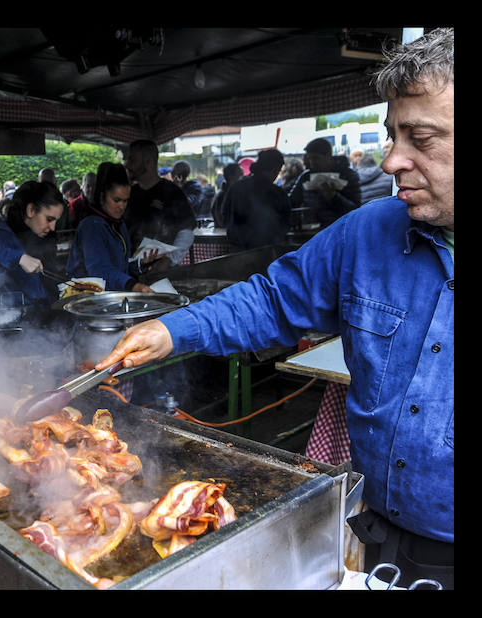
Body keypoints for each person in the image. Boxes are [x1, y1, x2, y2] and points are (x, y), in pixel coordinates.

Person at [96, 27, 454, 589]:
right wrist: (170, 329)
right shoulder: (368, 232)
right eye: (391, 136)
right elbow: (272, 298)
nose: (391, 161)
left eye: (421, 139)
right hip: (370, 526)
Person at [0, 180, 64, 306]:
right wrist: (18, 258)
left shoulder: (42, 237)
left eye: (55, 221)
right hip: (14, 315)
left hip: (44, 312)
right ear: (31, 210)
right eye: (49, 219)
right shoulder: (2, 235)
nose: (53, 227)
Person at [65, 162, 158, 292]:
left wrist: (140, 263)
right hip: (87, 299)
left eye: (125, 201)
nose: (122, 206)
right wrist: (132, 285)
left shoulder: (118, 224)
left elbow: (120, 266)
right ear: (102, 196)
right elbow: (100, 270)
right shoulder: (91, 226)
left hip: (111, 295)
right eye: (116, 200)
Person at [125, 140, 196, 269]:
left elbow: (186, 232)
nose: (127, 164)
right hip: (131, 270)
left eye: (132, 160)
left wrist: (169, 260)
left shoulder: (172, 193)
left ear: (148, 161)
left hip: (160, 272)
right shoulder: (129, 193)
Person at [224, 149, 292, 251]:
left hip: (237, 248)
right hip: (266, 249)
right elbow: (286, 222)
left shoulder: (236, 187)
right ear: (275, 169)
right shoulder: (277, 193)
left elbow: (225, 213)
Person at [288, 137, 361, 228]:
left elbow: (356, 210)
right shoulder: (305, 177)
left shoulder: (348, 175)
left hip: (340, 229)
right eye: (309, 158)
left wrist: (333, 196)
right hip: (311, 231)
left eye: (315, 158)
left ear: (328, 156)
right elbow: (292, 202)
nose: (312, 163)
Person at [211, 162, 244, 227]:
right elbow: (222, 222)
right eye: (240, 175)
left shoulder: (228, 193)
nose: (242, 178)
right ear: (231, 177)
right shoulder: (223, 195)